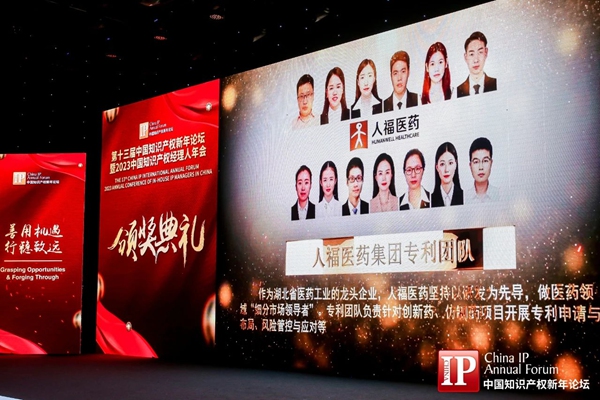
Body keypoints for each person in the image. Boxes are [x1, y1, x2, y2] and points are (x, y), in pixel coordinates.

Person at [457, 31, 497, 97]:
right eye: (471, 54)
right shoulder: (458, 91)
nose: (476, 60)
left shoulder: (495, 84)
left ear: (486, 52)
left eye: (480, 52)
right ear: (465, 57)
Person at [465, 137, 500, 203]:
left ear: (491, 163)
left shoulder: (499, 195)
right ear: (470, 166)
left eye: (485, 161)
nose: (481, 167)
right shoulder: (464, 198)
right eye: (476, 162)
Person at [431, 142, 464, 207]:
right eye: (442, 164)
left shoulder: (464, 196)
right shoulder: (431, 200)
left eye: (450, 163)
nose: (446, 169)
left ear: (456, 164)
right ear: (437, 167)